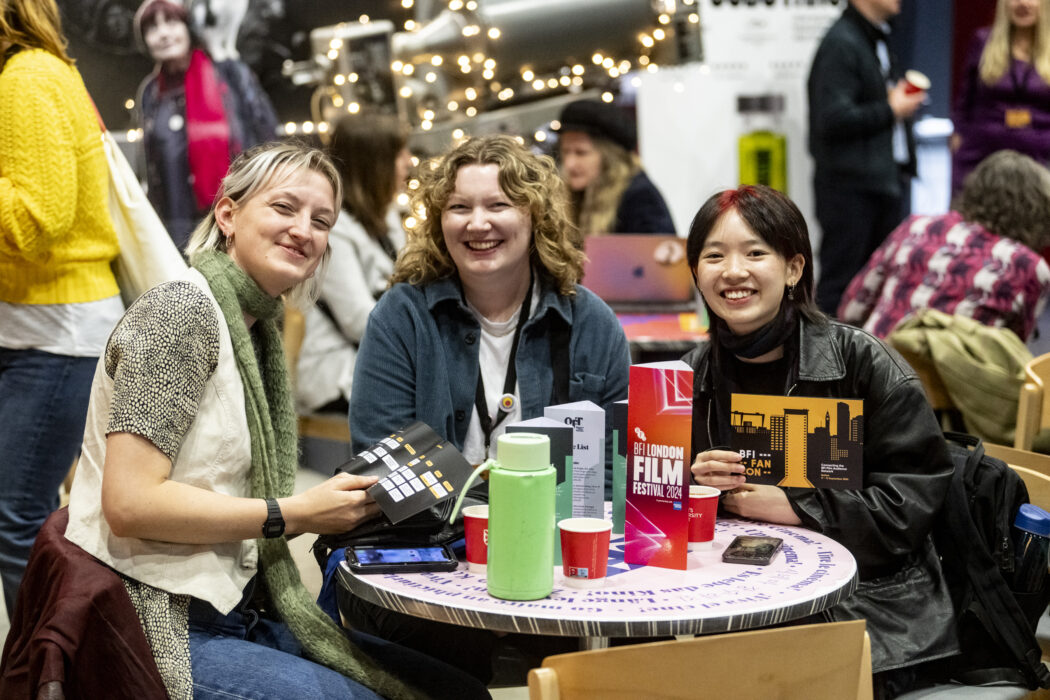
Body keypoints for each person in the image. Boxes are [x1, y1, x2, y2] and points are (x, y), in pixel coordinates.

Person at [63, 142, 487, 700]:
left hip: (234, 604)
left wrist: (318, 512)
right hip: (154, 619)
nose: (303, 231)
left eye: (321, 221)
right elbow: (129, 503)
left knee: (456, 691)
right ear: (229, 214)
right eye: (284, 208)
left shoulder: (255, 327)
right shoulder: (179, 314)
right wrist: (289, 514)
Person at [347, 134, 631, 681]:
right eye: (460, 207)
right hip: (433, 552)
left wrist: (527, 553)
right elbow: (383, 457)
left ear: (535, 216)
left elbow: (611, 473)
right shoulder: (401, 317)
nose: (478, 223)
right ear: (438, 223)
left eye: (498, 204)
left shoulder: (591, 322)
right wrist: (495, 544)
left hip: (558, 557)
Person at [685, 185, 958, 697]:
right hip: (727, 605)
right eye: (714, 256)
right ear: (697, 273)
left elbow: (911, 508)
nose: (733, 271)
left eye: (755, 253)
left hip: (864, 611)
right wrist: (690, 485)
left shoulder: (861, 365)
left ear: (793, 269)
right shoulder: (688, 379)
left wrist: (796, 506)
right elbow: (648, 515)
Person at [0, 0, 124, 620]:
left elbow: (37, 219)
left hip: (56, 331)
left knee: (17, 516)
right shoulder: (32, 74)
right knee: (29, 511)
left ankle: (43, 669)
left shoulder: (27, 79)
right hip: (38, 327)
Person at [839, 149, 1050, 341]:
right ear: (1036, 212)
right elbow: (1012, 354)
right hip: (953, 379)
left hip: (873, 370)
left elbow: (851, 308)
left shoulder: (916, 227)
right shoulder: (1028, 267)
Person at [807, 0, 926, 316]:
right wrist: (891, 109)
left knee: (876, 290)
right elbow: (831, 119)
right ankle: (825, 365)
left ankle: (858, 364)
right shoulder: (842, 42)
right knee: (841, 288)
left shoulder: (873, 37)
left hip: (878, 185)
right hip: (851, 190)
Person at [134, 0, 279, 251]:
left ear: (188, 28)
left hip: (238, 220)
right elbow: (150, 168)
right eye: (152, 28)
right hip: (177, 227)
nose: (163, 34)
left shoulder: (229, 74)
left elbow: (267, 137)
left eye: (171, 22)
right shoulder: (150, 92)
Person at [296, 113, 413, 415]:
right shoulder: (331, 228)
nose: (408, 163)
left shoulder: (384, 214)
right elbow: (360, 321)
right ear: (375, 164)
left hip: (382, 366)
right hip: (338, 378)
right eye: (399, 155)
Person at [951, 0, 1050, 196]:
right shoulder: (982, 41)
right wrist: (958, 137)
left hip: (1041, 160)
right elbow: (965, 101)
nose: (1023, 3)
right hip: (982, 156)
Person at [556, 99, 675, 235]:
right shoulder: (574, 196)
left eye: (581, 153)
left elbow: (660, 253)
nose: (569, 163)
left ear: (610, 159)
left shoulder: (639, 198)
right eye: (565, 152)